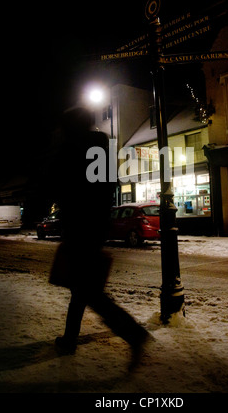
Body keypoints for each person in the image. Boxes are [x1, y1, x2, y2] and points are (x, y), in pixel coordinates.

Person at [49, 106, 150, 366]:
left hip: (78, 227)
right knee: (81, 289)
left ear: (70, 127)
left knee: (87, 291)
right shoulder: (101, 147)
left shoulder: (69, 150)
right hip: (95, 226)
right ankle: (70, 339)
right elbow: (109, 185)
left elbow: (58, 187)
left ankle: (133, 333)